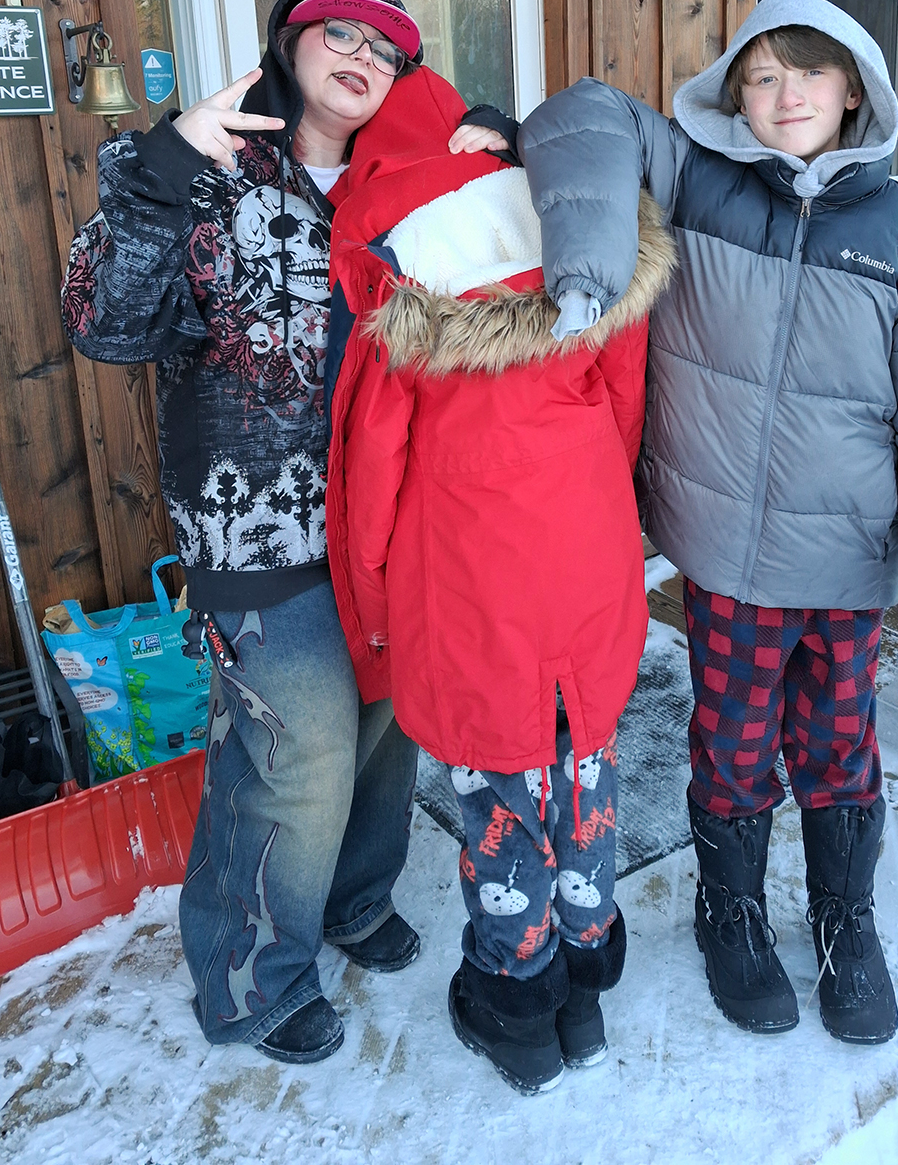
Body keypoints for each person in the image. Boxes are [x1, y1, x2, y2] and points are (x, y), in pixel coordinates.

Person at [518, 0, 898, 1046]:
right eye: (763, 76)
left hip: (848, 565)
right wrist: (572, 244)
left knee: (838, 746)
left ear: (853, 91)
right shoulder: (699, 182)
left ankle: (842, 918)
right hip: (729, 558)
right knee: (730, 747)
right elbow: (584, 113)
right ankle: (729, 912)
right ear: (735, 93)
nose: (786, 97)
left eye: (808, 75)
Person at [61, 0, 512, 1064]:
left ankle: (355, 902)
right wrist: (162, 167)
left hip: (392, 519)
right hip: (249, 526)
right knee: (297, 748)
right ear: (290, 48)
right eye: (338, 34)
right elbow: (106, 325)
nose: (361, 56)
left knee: (384, 732)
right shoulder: (214, 177)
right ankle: (248, 975)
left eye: (387, 47)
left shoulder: (408, 182)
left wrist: (499, 153)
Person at [323, 58, 675, 1092]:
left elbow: (373, 472)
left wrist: (379, 609)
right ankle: (587, 984)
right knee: (585, 767)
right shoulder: (580, 230)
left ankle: (516, 1007)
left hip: (473, 577)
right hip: (584, 545)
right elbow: (622, 404)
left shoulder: (400, 276)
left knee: (501, 796)